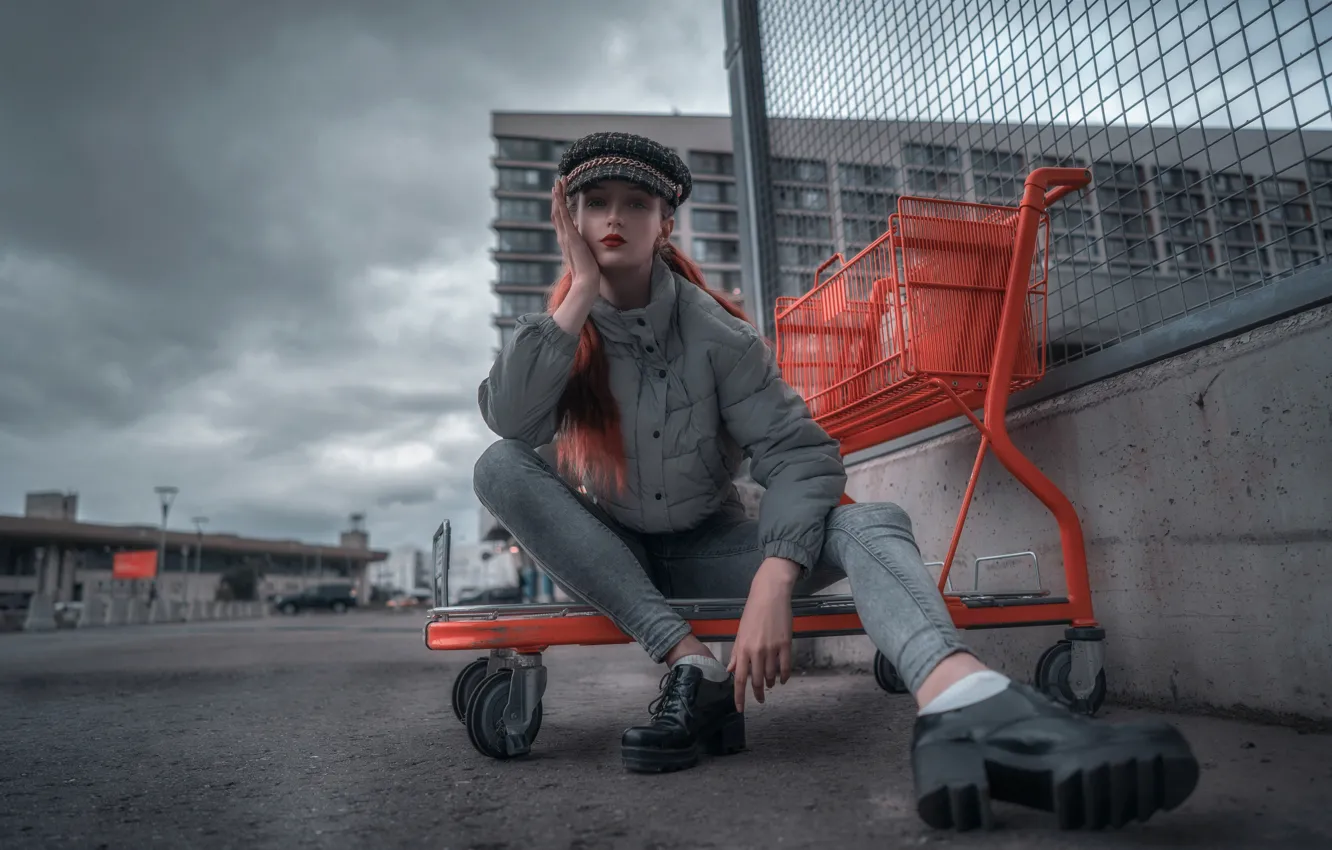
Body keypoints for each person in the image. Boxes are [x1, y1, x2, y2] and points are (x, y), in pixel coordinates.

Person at [473, 132, 1199, 831]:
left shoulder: (719, 336)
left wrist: (775, 575)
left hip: (710, 548)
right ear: (572, 217)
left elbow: (799, 454)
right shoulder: (559, 335)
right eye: (595, 201)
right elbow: (512, 423)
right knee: (498, 465)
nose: (613, 218)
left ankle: (963, 704)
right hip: (608, 558)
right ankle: (691, 665)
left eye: (636, 202)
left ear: (665, 222)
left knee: (870, 518)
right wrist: (575, 300)